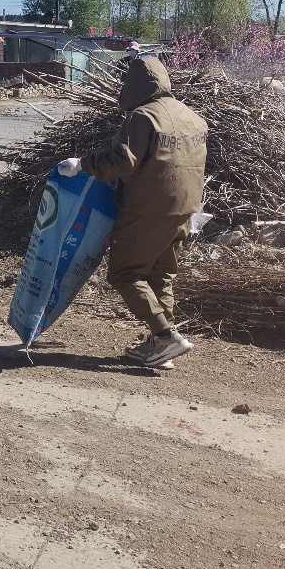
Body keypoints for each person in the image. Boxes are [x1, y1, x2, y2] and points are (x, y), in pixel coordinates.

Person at [57, 56, 207, 368]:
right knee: (160, 275)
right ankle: (162, 347)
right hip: (185, 210)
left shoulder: (143, 117)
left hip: (148, 210)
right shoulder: (191, 116)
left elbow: (122, 162)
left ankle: (165, 336)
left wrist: (82, 165)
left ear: (134, 85)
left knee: (125, 273)